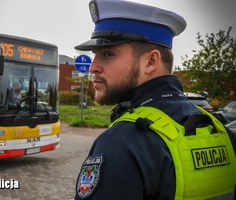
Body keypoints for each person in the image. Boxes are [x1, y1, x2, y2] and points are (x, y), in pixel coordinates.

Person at [73, 0, 236, 199]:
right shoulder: (221, 132)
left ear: (150, 61)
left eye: (108, 54)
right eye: (94, 55)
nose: (93, 67)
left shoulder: (121, 143)